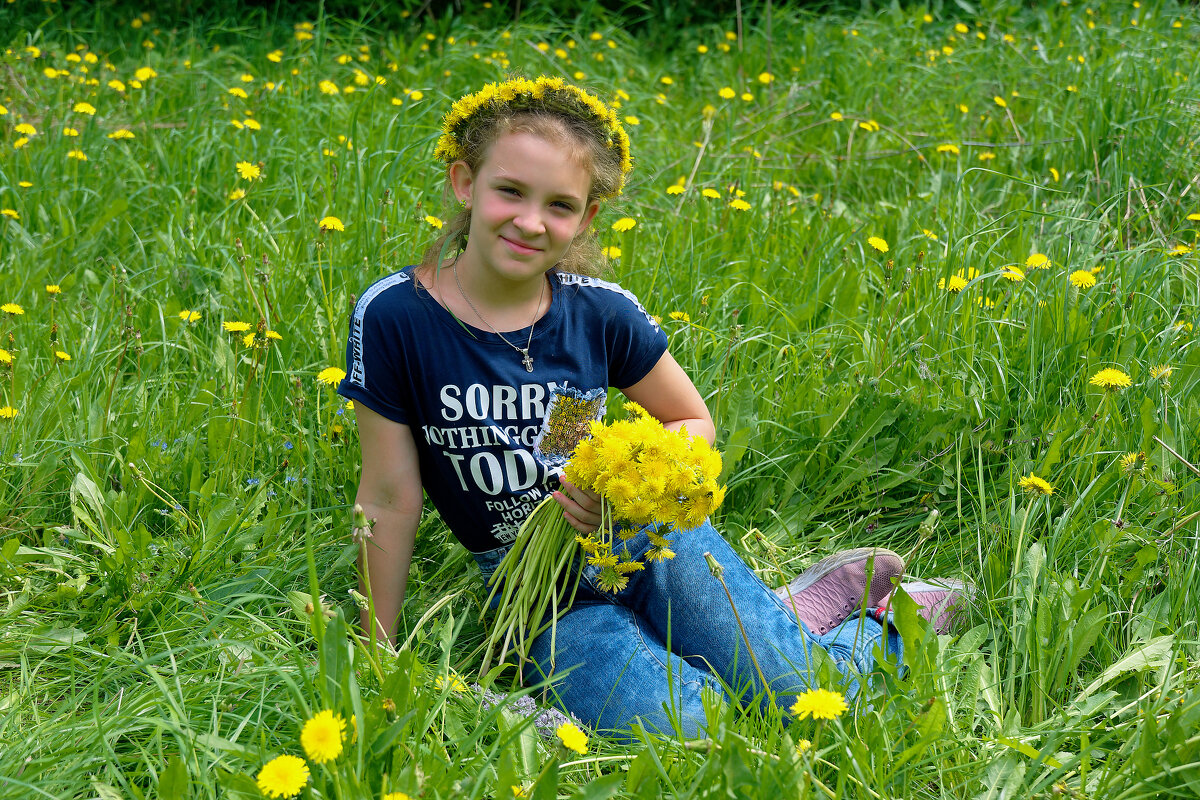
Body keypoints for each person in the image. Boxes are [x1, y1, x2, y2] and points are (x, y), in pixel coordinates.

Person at [338, 77, 957, 738]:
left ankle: (886, 624)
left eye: (560, 204)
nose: (529, 221)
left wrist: (633, 485)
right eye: (509, 191)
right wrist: (378, 649)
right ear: (465, 183)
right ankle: (780, 620)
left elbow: (692, 422)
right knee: (696, 728)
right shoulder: (398, 317)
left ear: (585, 219)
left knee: (814, 701)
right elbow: (388, 497)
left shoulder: (598, 312)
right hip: (544, 598)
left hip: (649, 539)